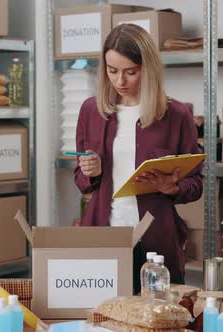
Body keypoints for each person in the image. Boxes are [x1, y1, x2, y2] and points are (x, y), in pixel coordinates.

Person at [74, 24, 204, 290]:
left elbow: (197, 184)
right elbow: (79, 179)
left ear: (148, 68)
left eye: (130, 72)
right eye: (112, 71)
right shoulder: (91, 110)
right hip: (104, 235)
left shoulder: (177, 115)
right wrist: (92, 171)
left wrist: (173, 187)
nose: (120, 81)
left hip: (158, 242)